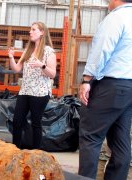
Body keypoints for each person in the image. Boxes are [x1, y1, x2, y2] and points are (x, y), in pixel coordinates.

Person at [78, 0, 132, 179]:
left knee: (90, 138)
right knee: (121, 142)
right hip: (129, 87)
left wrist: (87, 79)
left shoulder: (116, 18)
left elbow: (101, 50)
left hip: (110, 85)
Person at [7, 22, 56, 149]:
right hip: (25, 91)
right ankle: (15, 150)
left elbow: (52, 74)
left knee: (36, 123)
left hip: (40, 93)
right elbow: (17, 69)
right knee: (17, 121)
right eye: (30, 30)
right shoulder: (28, 51)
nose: (30, 32)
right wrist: (11, 58)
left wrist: (42, 65)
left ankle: (36, 152)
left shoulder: (48, 51)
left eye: (33, 30)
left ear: (42, 33)